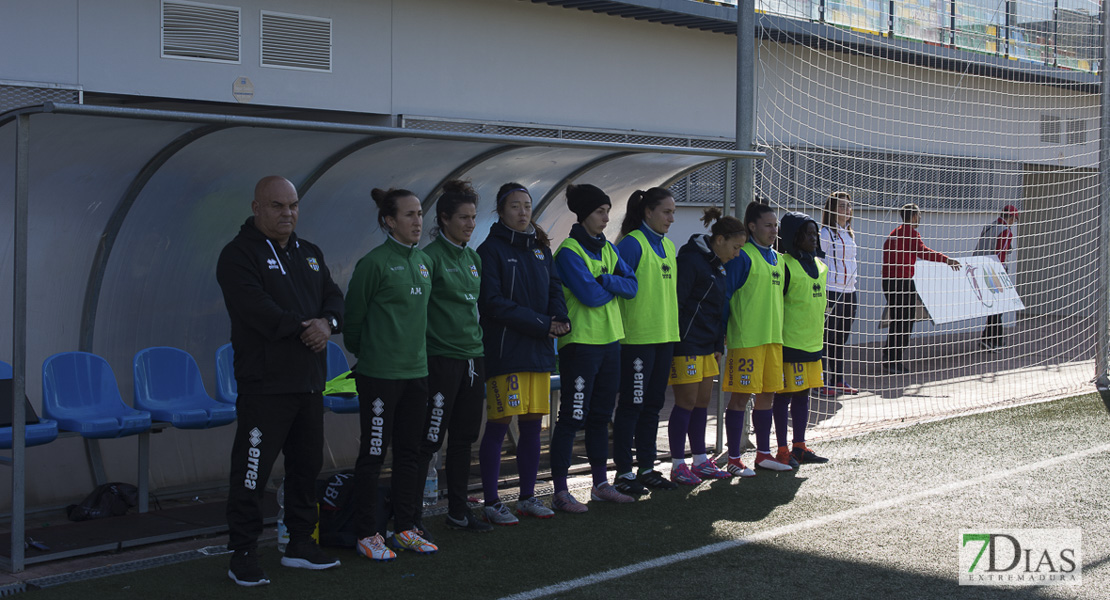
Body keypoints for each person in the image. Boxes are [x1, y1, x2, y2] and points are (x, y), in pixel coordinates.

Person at [217, 175, 344, 586]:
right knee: (252, 471)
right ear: (256, 208)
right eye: (277, 205)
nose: (287, 213)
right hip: (265, 385)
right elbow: (257, 309)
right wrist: (305, 328)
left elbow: (335, 298)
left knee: (306, 468)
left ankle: (301, 544)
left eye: (292, 205)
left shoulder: (309, 253)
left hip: (309, 383)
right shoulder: (237, 255)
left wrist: (328, 324)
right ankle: (243, 553)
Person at [345, 187, 437, 560]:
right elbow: (353, 323)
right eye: (409, 215)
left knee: (410, 454)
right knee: (373, 453)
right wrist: (375, 356)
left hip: (417, 373)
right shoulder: (374, 263)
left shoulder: (423, 262)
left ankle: (405, 528)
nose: (417, 221)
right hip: (379, 376)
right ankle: (368, 532)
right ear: (389, 221)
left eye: (419, 214)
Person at [476, 183, 568, 525]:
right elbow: (493, 304)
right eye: (515, 206)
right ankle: (491, 502)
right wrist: (542, 323)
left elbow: (555, 288)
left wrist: (559, 319)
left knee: (533, 428)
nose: (523, 211)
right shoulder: (490, 250)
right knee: (499, 426)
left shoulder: (541, 249)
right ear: (500, 211)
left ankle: (528, 497)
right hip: (506, 353)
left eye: (527, 205)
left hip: (539, 351)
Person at [549, 184, 638, 512]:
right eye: (600, 211)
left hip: (610, 342)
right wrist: (610, 285)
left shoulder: (609, 250)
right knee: (572, 416)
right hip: (581, 346)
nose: (606, 217)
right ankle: (560, 490)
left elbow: (632, 286)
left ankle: (601, 484)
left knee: (602, 416)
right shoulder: (569, 251)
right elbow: (588, 296)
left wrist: (607, 282)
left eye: (607, 211)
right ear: (584, 213)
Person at [413, 180, 492, 534]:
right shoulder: (428, 258)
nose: (470, 224)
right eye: (463, 217)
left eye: (474, 217)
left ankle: (459, 511)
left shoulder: (473, 258)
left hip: (473, 361)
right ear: (443, 219)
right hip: (440, 361)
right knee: (429, 441)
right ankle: (410, 518)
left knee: (464, 440)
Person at [667, 208, 747, 486]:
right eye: (735, 247)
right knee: (686, 402)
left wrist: (717, 343)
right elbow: (677, 303)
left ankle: (700, 460)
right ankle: (677, 464)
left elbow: (717, 309)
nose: (737, 254)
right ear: (720, 239)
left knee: (702, 402)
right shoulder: (690, 260)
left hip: (706, 345)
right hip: (686, 343)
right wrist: (677, 343)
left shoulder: (719, 265)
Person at [611, 188, 681, 496]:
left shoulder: (668, 245)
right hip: (637, 341)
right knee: (632, 405)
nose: (671, 218)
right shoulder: (631, 244)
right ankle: (624, 472)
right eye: (666, 212)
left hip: (664, 338)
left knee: (653, 406)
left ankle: (648, 468)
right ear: (648, 213)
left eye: (673, 212)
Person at [721, 200, 791, 474]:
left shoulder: (779, 258)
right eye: (768, 225)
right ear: (752, 226)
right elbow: (726, 294)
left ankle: (763, 454)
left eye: (776, 226)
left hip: (773, 339)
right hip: (747, 339)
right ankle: (734, 459)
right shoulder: (744, 256)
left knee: (768, 396)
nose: (774, 231)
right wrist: (722, 331)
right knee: (740, 398)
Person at [773, 212, 830, 468]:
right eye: (808, 234)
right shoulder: (783, 264)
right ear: (794, 237)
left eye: (815, 233)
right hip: (789, 344)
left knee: (804, 394)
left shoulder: (821, 266)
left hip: (813, 343)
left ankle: (800, 446)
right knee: (784, 395)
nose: (814, 238)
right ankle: (782, 450)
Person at [880, 203, 961, 374]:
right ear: (914, 216)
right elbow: (924, 252)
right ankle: (894, 361)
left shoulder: (893, 234)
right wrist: (947, 260)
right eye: (919, 215)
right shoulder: (911, 234)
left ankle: (889, 358)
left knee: (897, 320)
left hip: (889, 282)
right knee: (906, 321)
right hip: (902, 281)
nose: (920, 218)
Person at [818, 191, 859, 397]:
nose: (847, 210)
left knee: (841, 339)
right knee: (827, 338)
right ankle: (822, 381)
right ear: (832, 210)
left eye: (848, 206)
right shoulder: (825, 233)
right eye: (842, 206)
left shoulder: (849, 234)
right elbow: (820, 261)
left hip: (849, 291)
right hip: (831, 291)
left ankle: (839, 379)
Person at [974, 205, 1019, 352]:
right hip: (993, 272)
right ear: (1011, 217)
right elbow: (1000, 254)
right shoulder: (1006, 231)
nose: (1014, 222)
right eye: (1014, 219)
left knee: (993, 308)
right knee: (997, 308)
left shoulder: (989, 227)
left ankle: (990, 339)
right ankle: (993, 340)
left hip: (979, 268)